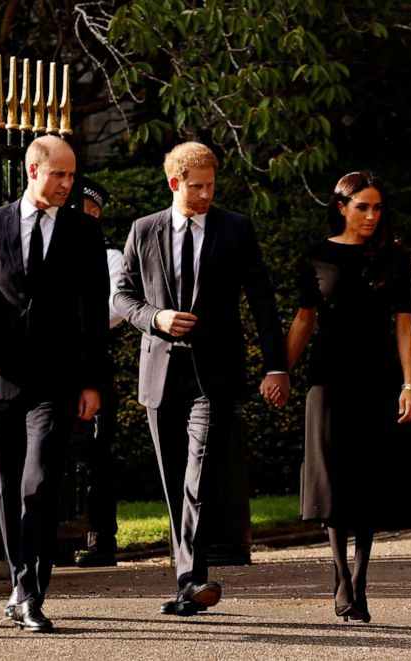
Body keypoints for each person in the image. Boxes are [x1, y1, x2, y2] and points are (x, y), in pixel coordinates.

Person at [114, 142, 289, 616]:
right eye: (198, 186)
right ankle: (186, 585)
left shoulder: (236, 228)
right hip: (159, 373)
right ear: (175, 183)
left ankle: (192, 577)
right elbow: (123, 297)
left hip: (214, 375)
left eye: (212, 185)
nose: (207, 193)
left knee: (200, 474)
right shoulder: (143, 230)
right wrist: (157, 317)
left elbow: (262, 299)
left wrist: (277, 365)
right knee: (174, 480)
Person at [0, 135, 109, 633]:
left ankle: (28, 591)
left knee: (39, 481)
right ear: (33, 170)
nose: (69, 185)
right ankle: (23, 584)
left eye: (73, 176)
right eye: (59, 175)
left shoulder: (84, 233)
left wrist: (93, 382)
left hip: (57, 378)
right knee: (6, 486)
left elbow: (93, 313)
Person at [283, 170, 411, 624]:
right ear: (341, 206)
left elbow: (405, 325)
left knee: (367, 483)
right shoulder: (315, 257)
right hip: (328, 379)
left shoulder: (394, 258)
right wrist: (278, 372)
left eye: (377, 207)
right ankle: (340, 576)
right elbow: (304, 320)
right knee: (331, 481)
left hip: (378, 378)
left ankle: (358, 583)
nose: (371, 215)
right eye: (362, 206)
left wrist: (409, 383)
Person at [75, 176, 121, 568]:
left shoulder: (109, 256)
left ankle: (100, 539)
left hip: (92, 359)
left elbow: (117, 307)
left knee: (97, 455)